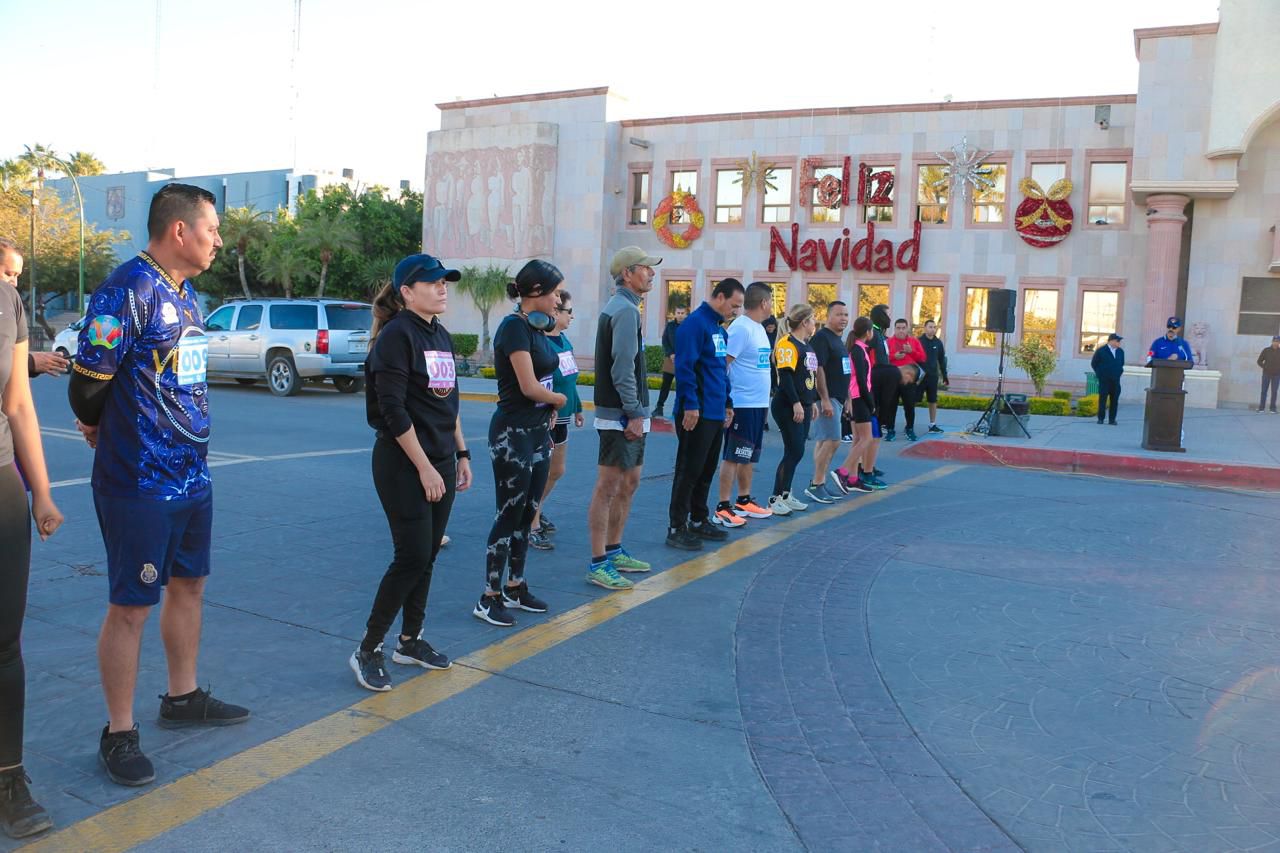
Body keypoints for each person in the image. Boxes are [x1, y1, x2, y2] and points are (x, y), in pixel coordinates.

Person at [68, 184, 249, 788]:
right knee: (131, 605)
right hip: (139, 480)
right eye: (212, 229)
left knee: (190, 585)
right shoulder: (127, 290)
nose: (218, 240)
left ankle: (183, 695)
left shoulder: (188, 295)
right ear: (179, 231)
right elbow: (86, 381)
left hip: (193, 475)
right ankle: (118, 733)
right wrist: (99, 425)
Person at [349, 254, 472, 692]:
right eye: (433, 282)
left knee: (428, 555)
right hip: (404, 464)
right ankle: (368, 648)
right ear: (406, 291)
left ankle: (410, 640)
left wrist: (461, 454)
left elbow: (449, 402)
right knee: (412, 556)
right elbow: (393, 411)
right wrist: (424, 468)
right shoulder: (397, 337)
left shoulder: (439, 334)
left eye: (445, 281)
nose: (442, 287)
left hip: (439, 460)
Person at [0, 238, 64, 839]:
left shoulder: (7, 301)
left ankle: (8, 779)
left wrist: (40, 492)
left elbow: (17, 402)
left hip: (1, 486)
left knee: (4, 643)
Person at [476, 260, 565, 626]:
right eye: (556, 292)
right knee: (508, 513)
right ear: (535, 293)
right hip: (511, 434)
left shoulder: (538, 329)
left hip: (536, 431)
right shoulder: (513, 329)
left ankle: (515, 586)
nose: (560, 300)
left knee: (528, 513)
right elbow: (528, 388)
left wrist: (549, 407)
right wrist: (559, 401)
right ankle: (488, 596)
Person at [586, 247, 660, 589]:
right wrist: (633, 412)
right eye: (646, 268)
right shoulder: (625, 311)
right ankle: (599, 562)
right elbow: (621, 368)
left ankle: (614, 551)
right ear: (627, 273)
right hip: (621, 415)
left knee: (629, 483)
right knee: (609, 486)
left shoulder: (628, 308)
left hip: (630, 413)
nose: (652, 274)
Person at [666, 279, 744, 550]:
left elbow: (720, 371)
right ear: (720, 297)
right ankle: (677, 526)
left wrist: (728, 402)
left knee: (706, 468)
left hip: (714, 411)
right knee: (689, 469)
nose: (735, 311)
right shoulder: (694, 325)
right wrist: (690, 405)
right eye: (733, 305)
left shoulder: (718, 330)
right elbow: (685, 368)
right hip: (695, 412)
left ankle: (699, 518)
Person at [713, 282, 774, 526]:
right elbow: (723, 364)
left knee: (749, 455)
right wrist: (727, 401)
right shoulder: (741, 328)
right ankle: (723, 506)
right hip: (742, 403)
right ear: (763, 303)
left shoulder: (758, 328)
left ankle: (744, 500)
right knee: (734, 455)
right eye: (771, 300)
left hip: (758, 404)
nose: (772, 305)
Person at [529, 290, 585, 550]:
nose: (572, 316)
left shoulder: (564, 342)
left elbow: (570, 379)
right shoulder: (541, 343)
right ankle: (531, 522)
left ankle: (534, 509)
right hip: (546, 417)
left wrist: (578, 407)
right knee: (540, 471)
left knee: (557, 470)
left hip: (563, 416)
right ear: (555, 312)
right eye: (568, 311)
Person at [769, 304, 819, 516]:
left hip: (804, 404)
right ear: (804, 322)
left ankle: (786, 493)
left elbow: (808, 377)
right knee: (794, 450)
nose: (815, 323)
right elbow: (786, 376)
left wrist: (812, 402)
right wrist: (796, 403)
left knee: (796, 451)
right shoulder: (787, 344)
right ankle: (775, 497)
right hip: (787, 404)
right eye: (813, 319)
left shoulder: (806, 345)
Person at [803, 301, 851, 504]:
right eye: (839, 314)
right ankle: (816, 484)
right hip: (827, 398)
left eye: (846, 315)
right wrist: (824, 399)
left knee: (824, 441)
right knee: (833, 440)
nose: (843, 318)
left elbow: (844, 370)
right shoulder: (822, 338)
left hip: (838, 398)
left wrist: (848, 398)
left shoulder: (838, 340)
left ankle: (819, 483)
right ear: (828, 316)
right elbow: (818, 368)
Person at [0, 242, 68, 379]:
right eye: (8, 274)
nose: (14, 283)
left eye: (17, 276)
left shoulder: (11, 305)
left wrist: (28, 362)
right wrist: (31, 362)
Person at [833, 316, 880, 494]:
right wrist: (870, 402)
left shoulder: (857, 349)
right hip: (860, 398)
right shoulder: (858, 351)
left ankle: (852, 478)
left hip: (857, 397)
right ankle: (843, 471)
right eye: (872, 331)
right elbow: (861, 379)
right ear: (868, 332)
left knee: (858, 439)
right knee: (866, 438)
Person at [885, 318, 926, 441]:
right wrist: (893, 357)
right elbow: (881, 359)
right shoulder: (888, 342)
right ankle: (890, 430)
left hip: (909, 379)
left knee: (909, 406)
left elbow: (923, 358)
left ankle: (909, 429)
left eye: (903, 328)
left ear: (907, 328)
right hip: (892, 378)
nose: (901, 330)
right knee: (891, 406)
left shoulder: (914, 341)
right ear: (894, 328)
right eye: (898, 328)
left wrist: (911, 352)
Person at [652, 305, 686, 419]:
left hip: (684, 361)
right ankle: (659, 408)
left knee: (681, 386)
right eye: (678, 313)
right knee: (665, 385)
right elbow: (665, 340)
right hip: (670, 360)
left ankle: (678, 410)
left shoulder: (689, 326)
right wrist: (671, 353)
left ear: (686, 314)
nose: (680, 315)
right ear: (675, 313)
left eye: (682, 313)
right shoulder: (670, 326)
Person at [917, 319, 949, 433]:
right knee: (912, 400)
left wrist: (945, 376)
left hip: (932, 376)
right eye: (930, 327)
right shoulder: (919, 341)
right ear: (925, 328)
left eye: (934, 327)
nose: (932, 329)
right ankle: (909, 425)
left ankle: (932, 424)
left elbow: (941, 360)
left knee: (932, 400)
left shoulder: (938, 343)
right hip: (919, 377)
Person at [1090, 333, 1125, 425]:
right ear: (1111, 341)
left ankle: (1112, 420)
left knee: (1114, 400)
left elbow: (1121, 364)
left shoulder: (1120, 351)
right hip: (1104, 380)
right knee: (1103, 399)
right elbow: (1094, 363)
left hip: (1115, 380)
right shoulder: (1101, 351)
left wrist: (1119, 372)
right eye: (1118, 341)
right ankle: (1101, 418)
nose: (1119, 343)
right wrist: (1100, 374)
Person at [1258, 336, 1280, 413]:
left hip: (1277, 375)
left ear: (1279, 343)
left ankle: (1272, 408)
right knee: (1264, 391)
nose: (1276, 343)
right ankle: (1261, 408)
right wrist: (1265, 367)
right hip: (1266, 374)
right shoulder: (1266, 350)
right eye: (1274, 341)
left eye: (1277, 341)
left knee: (1274, 392)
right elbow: (1259, 361)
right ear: (1272, 341)